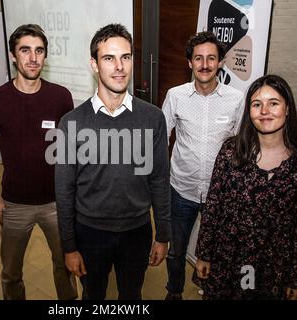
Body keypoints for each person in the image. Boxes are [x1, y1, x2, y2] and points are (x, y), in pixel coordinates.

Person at [55, 23, 171, 300]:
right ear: (94, 65)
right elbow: (64, 190)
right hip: (90, 232)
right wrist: (69, 247)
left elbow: (160, 180)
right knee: (92, 296)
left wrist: (163, 234)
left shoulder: (153, 118)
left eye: (126, 57)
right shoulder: (71, 122)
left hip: (137, 231)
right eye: (109, 58)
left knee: (131, 296)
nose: (119, 67)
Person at [194, 74, 297, 300]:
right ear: (249, 112)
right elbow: (213, 207)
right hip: (227, 259)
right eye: (256, 104)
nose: (264, 111)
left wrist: (296, 276)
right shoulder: (231, 152)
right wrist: (203, 253)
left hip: (270, 266)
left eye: (273, 103)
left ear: (287, 109)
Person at [0, 24, 77, 300]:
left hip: (56, 203)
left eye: (39, 51)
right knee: (10, 273)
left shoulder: (60, 96)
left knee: (66, 266)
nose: (33, 58)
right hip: (14, 205)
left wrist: (72, 196)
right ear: (12, 55)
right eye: (25, 50)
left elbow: (70, 151)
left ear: (45, 56)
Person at [161, 31, 244, 300]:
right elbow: (161, 138)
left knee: (216, 252)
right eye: (198, 58)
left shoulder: (237, 99)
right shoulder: (175, 95)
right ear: (190, 63)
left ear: (220, 62)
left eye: (211, 58)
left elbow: (243, 147)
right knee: (176, 250)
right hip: (181, 189)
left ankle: (210, 289)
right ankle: (174, 292)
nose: (205, 64)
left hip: (220, 195)